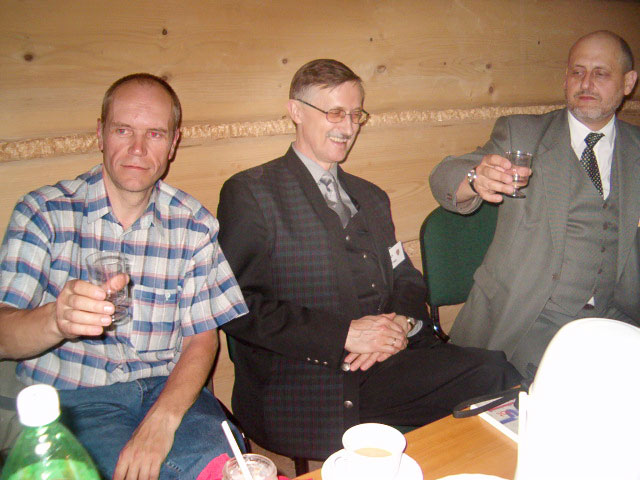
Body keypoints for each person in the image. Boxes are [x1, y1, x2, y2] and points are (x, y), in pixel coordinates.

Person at [217, 59, 520, 460]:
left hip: (388, 358)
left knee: (497, 375)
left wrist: (401, 323)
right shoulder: (252, 193)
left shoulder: (371, 196)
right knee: (494, 377)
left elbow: (406, 276)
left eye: (355, 114)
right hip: (310, 378)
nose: (347, 127)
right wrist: (345, 335)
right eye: (334, 112)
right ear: (296, 111)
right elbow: (237, 307)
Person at [0, 73, 248, 480]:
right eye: (123, 130)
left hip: (169, 393)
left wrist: (163, 420)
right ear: (100, 134)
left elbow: (202, 339)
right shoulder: (43, 213)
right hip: (73, 401)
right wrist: (56, 319)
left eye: (155, 133)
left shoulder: (194, 224)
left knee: (228, 470)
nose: (138, 149)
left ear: (173, 143)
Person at [429, 30, 639, 377]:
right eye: (577, 71)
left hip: (616, 316)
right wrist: (474, 177)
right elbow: (443, 176)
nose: (586, 83)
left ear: (628, 82)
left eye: (601, 73)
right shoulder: (523, 134)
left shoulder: (636, 147)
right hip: (530, 318)